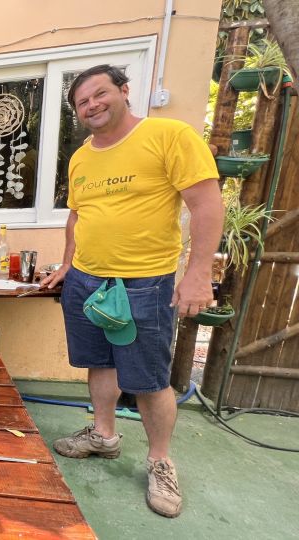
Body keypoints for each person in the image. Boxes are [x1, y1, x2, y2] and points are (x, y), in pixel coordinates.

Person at [39, 65, 223, 518]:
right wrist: (67, 263)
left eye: (100, 94)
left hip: (144, 283)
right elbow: (77, 216)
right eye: (82, 102)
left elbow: (206, 203)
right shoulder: (81, 157)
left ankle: (160, 460)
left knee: (148, 379)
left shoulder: (169, 136)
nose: (92, 105)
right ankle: (104, 434)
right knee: (99, 363)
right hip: (86, 280)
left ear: (124, 90)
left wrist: (198, 274)